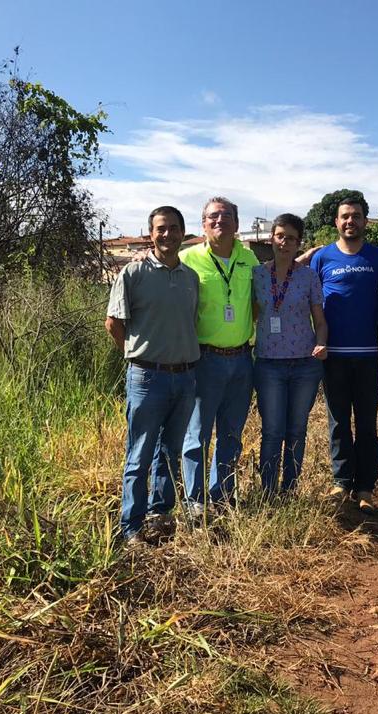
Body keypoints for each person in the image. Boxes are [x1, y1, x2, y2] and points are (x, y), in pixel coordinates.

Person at [105, 205, 199, 545]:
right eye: (161, 228)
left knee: (170, 452)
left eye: (174, 228)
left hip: (185, 377)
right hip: (146, 378)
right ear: (151, 233)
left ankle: (161, 516)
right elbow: (114, 324)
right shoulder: (133, 273)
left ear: (182, 233)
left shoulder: (190, 278)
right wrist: (137, 356)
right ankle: (131, 528)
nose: (168, 234)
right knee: (139, 455)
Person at [309, 195, 378, 512]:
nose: (350, 221)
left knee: (366, 424)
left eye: (357, 216)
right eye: (345, 216)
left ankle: (365, 487)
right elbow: (295, 281)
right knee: (337, 423)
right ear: (336, 222)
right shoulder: (322, 258)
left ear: (365, 221)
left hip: (366, 355)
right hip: (331, 355)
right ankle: (341, 483)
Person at [171, 197, 259, 517]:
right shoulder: (187, 259)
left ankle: (222, 495)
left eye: (226, 216)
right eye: (212, 217)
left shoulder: (249, 260)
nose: (219, 221)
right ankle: (195, 502)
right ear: (203, 225)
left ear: (237, 224)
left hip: (241, 359)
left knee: (231, 434)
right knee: (197, 434)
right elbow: (159, 267)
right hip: (204, 359)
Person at [252, 213, 329, 496]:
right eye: (280, 236)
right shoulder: (256, 274)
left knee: (297, 429)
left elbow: (319, 321)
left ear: (299, 243)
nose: (284, 242)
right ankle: (269, 491)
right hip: (269, 365)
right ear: (272, 238)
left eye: (291, 238)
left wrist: (321, 343)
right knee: (273, 431)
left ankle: (290, 489)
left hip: (304, 365)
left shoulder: (308, 277)